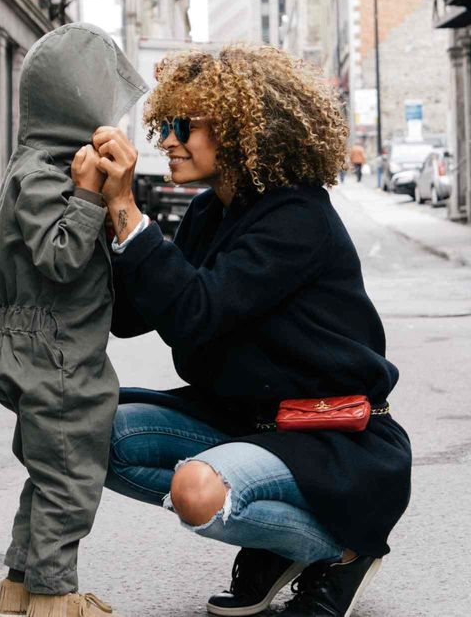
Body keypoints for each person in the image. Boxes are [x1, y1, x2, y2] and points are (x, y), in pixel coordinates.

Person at [92, 45, 412, 617]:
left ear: (241, 127)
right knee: (89, 434)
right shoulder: (209, 213)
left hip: (330, 438)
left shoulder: (297, 217)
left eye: (181, 125)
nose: (165, 140)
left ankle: (340, 552)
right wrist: (100, 211)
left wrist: (128, 209)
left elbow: (197, 311)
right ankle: (274, 545)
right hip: (242, 422)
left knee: (197, 492)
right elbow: (133, 316)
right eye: (163, 124)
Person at [0, 23, 147, 617]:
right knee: (70, 485)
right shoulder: (50, 174)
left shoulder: (34, 165)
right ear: (75, 102)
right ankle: (55, 598)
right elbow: (59, 256)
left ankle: (22, 587)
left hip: (39, 349)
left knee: (46, 476)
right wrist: (87, 197)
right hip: (58, 359)